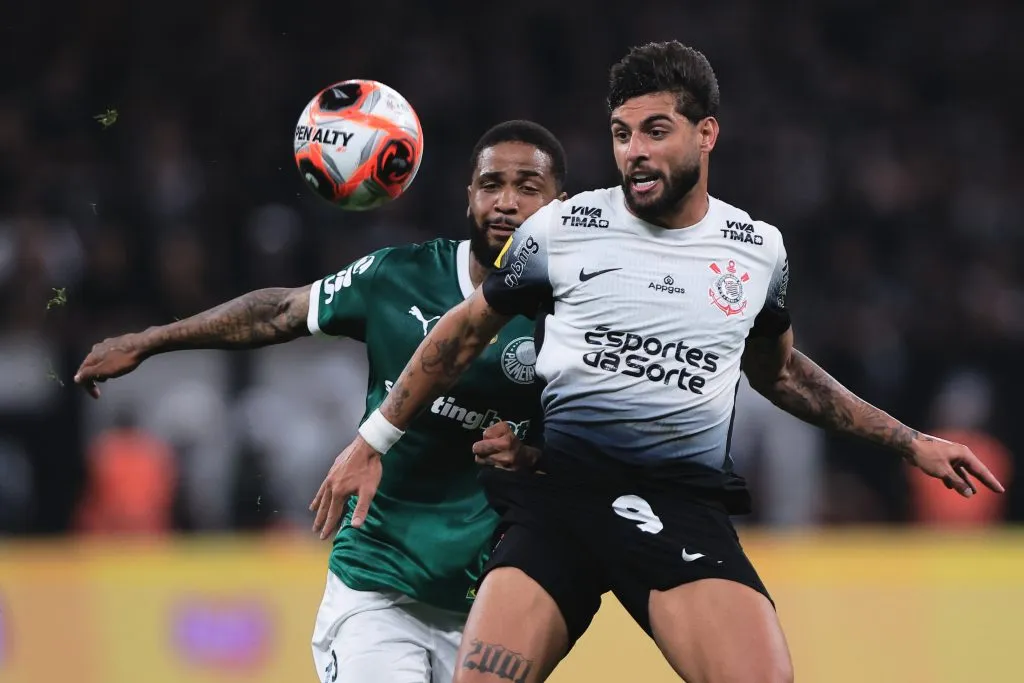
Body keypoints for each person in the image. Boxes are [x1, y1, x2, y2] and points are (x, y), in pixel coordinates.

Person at [310, 42, 1005, 683]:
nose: (634, 152)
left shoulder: (756, 250)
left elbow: (782, 373)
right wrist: (374, 440)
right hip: (560, 502)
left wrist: (909, 440)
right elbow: (461, 333)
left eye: (655, 131)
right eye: (621, 134)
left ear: (707, 133)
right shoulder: (564, 228)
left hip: (675, 506)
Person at [73, 119, 568, 683]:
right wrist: (150, 340)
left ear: (561, 204)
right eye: (491, 185)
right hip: (377, 587)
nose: (506, 203)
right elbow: (282, 310)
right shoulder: (399, 278)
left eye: (528, 187)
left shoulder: (578, 313)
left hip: (493, 605)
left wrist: (529, 456)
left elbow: (601, 452)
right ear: (468, 197)